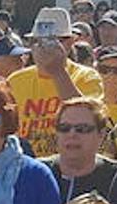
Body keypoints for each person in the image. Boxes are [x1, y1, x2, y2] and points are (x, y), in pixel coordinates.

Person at [9, 8, 104, 157]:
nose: (44, 47)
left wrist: (57, 71)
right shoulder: (15, 81)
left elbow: (88, 117)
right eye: (37, 41)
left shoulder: (87, 77)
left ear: (71, 42)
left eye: (54, 41)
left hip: (71, 162)